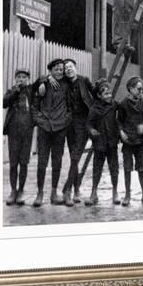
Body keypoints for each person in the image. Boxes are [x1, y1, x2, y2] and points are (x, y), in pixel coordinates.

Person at [31, 58, 72, 207]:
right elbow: (34, 105)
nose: (60, 72)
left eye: (61, 69)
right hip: (44, 129)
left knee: (57, 161)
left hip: (60, 128)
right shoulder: (43, 84)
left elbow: (70, 106)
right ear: (50, 71)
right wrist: (40, 120)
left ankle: (54, 193)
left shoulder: (67, 85)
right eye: (56, 69)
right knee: (42, 162)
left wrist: (65, 120)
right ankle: (40, 193)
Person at [61, 58, 94, 206]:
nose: (68, 69)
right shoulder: (63, 84)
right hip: (69, 125)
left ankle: (67, 190)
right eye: (66, 68)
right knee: (74, 156)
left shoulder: (84, 80)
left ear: (75, 68)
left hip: (83, 123)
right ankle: (76, 190)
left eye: (71, 67)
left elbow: (96, 92)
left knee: (75, 157)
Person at [117, 76, 143, 206]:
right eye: (138, 89)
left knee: (141, 168)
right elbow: (119, 122)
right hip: (128, 142)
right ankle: (127, 195)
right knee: (127, 169)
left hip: (139, 142)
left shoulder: (142, 103)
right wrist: (121, 132)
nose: (140, 91)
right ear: (131, 89)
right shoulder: (123, 104)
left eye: (141, 89)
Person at [84, 79, 120, 206]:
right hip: (99, 143)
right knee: (97, 168)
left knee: (114, 168)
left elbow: (124, 114)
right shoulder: (94, 108)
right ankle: (94, 193)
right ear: (99, 96)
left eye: (110, 93)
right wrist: (92, 130)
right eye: (106, 94)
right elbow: (88, 124)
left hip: (112, 142)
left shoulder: (115, 105)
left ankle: (115, 192)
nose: (109, 96)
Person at [3, 68, 35, 206]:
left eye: (24, 77)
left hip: (27, 131)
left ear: (28, 79)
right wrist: (15, 91)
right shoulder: (11, 91)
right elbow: (4, 103)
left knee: (24, 162)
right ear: (15, 79)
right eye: (18, 77)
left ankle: (21, 190)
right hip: (13, 131)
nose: (21, 79)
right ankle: (13, 191)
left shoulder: (31, 91)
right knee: (13, 162)